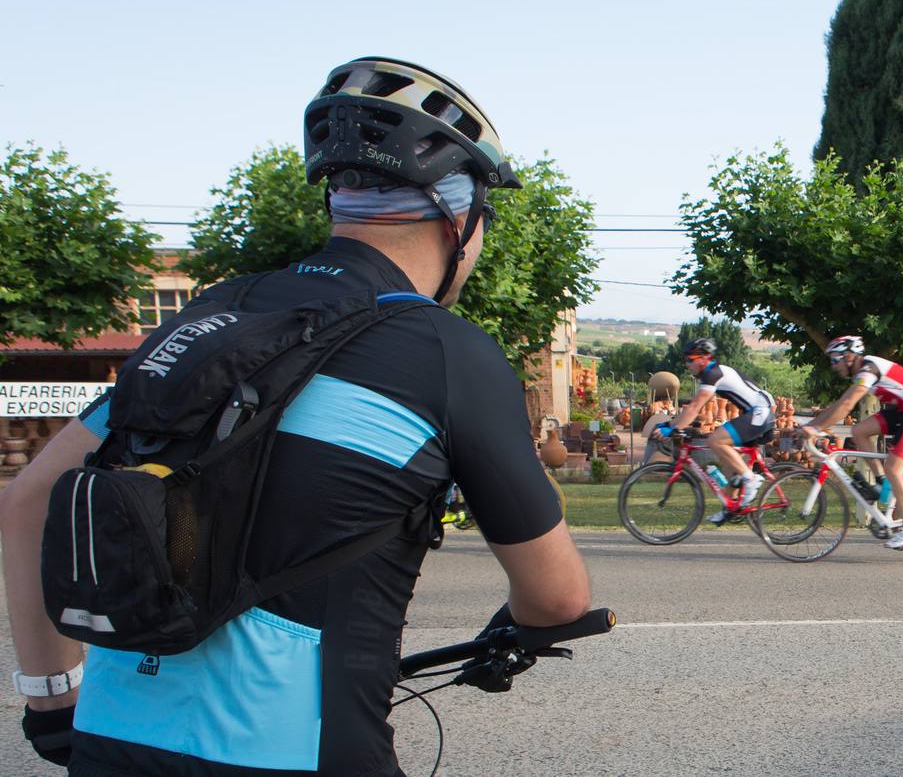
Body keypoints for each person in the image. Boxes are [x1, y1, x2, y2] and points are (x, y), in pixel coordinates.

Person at [0, 57, 592, 776]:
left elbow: (27, 502)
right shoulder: (447, 351)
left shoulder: (215, 315)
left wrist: (50, 700)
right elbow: (558, 597)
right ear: (458, 215)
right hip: (297, 752)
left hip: (111, 734)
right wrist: (524, 627)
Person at [800, 336, 903, 549]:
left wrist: (816, 428)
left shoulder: (868, 370)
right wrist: (809, 426)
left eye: (835, 360)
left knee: (894, 465)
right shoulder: (862, 372)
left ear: (849, 356)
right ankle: (883, 481)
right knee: (859, 431)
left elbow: (847, 405)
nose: (833, 366)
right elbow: (840, 403)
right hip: (900, 412)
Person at [656, 337, 777, 524]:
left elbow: (696, 407)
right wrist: (670, 425)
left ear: (703, 358)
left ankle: (751, 479)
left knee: (715, 440)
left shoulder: (712, 374)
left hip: (760, 413)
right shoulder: (713, 372)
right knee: (729, 466)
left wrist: (672, 429)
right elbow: (691, 408)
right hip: (757, 412)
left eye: (690, 360)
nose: (687, 364)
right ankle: (731, 508)